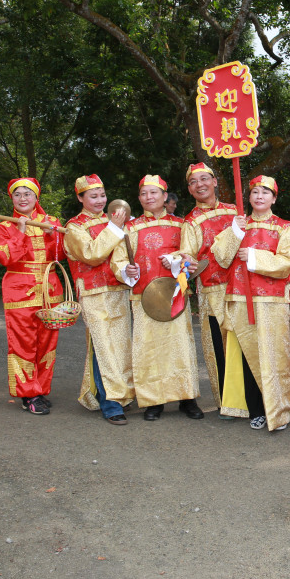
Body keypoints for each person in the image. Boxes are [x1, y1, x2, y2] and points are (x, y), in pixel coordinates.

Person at [109, 174, 203, 422]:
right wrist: (125, 270)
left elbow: (190, 254)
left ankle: (187, 398)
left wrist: (176, 260)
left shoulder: (181, 224)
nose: (148, 197)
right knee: (148, 349)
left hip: (175, 293)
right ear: (139, 198)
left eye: (153, 193)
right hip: (144, 295)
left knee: (180, 346)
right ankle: (154, 400)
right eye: (143, 193)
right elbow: (118, 259)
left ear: (164, 196)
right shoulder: (130, 228)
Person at [211, 175, 290, 432]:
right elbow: (221, 257)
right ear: (248, 197)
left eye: (265, 192)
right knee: (247, 353)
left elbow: (287, 262)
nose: (260, 196)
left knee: (273, 354)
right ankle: (256, 410)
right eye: (255, 192)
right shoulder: (238, 225)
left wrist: (254, 256)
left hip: (272, 301)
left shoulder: (283, 227)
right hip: (239, 297)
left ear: (274, 198)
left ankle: (278, 410)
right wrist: (235, 232)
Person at [64, 174, 134, 425]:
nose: (99, 200)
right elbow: (92, 254)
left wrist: (129, 271)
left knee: (121, 345)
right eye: (93, 196)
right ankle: (110, 402)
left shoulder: (112, 221)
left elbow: (125, 254)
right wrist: (115, 228)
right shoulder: (74, 227)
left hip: (117, 289)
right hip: (93, 293)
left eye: (102, 195)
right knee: (103, 346)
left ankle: (120, 394)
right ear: (80, 198)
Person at [0, 177, 64, 415]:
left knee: (47, 343)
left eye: (27, 194)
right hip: (19, 292)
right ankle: (28, 393)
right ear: (11, 198)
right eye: (17, 195)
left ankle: (40, 390)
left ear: (36, 197)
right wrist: (20, 231)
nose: (23, 199)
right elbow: (5, 257)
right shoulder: (5, 226)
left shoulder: (52, 222)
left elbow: (63, 254)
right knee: (23, 343)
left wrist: (53, 235)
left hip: (50, 291)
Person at [180, 163, 238, 414]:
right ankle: (226, 401)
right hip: (211, 290)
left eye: (204, 179)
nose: (199, 184)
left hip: (240, 288)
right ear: (189, 189)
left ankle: (252, 400)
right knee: (218, 347)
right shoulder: (190, 222)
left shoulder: (235, 211)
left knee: (244, 342)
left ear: (214, 182)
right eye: (193, 182)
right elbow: (186, 255)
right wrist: (186, 264)